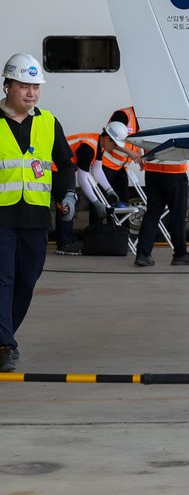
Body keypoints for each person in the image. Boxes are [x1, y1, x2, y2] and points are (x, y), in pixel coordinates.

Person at [0, 53, 76, 373]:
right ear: (7, 86)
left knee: (26, 281)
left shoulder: (48, 122)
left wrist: (68, 194)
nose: (31, 93)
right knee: (2, 280)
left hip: (34, 217)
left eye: (35, 86)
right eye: (23, 86)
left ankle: (5, 337)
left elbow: (64, 164)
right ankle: (5, 345)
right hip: (1, 218)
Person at [133, 146, 189, 268]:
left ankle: (143, 255)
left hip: (152, 173)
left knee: (152, 215)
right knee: (177, 216)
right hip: (174, 173)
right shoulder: (179, 126)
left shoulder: (148, 126)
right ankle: (180, 255)